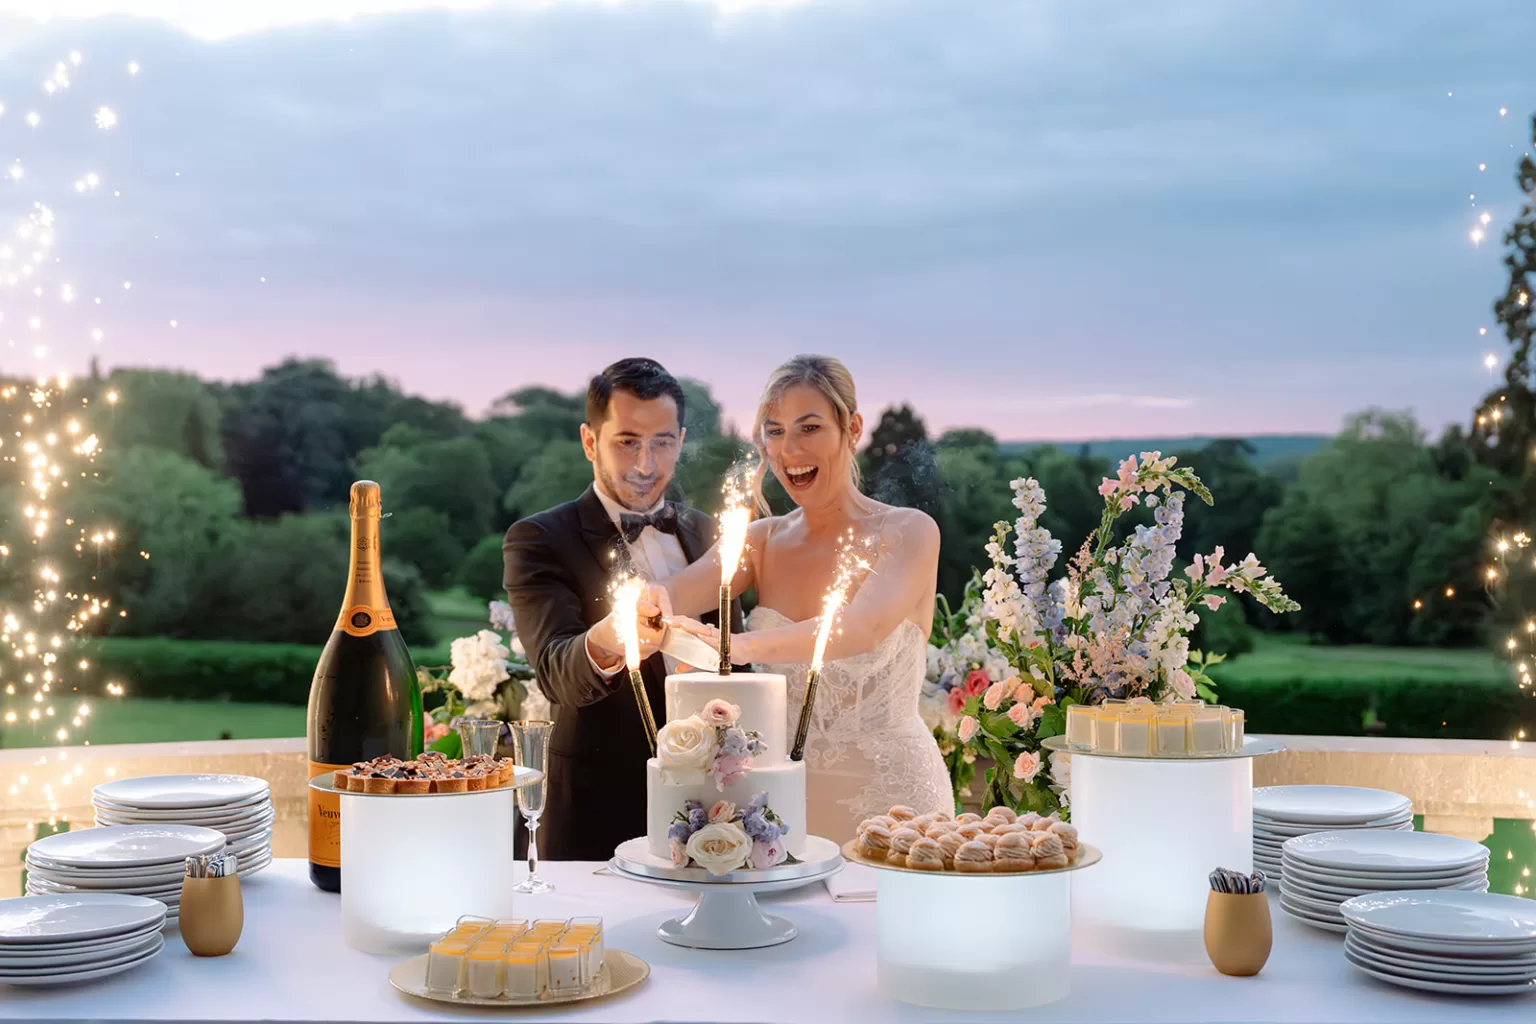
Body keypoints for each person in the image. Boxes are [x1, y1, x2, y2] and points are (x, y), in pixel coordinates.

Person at [657, 354, 952, 843]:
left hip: (899, 806)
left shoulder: (907, 532)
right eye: (774, 432)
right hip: (779, 810)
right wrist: (646, 605)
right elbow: (673, 593)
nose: (789, 449)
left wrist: (735, 647)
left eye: (809, 428)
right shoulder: (760, 541)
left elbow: (860, 630)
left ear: (852, 429)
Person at [502, 357, 741, 860]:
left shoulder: (712, 533)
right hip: (598, 812)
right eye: (627, 441)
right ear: (590, 441)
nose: (645, 465)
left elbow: (735, 660)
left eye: (661, 443)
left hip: (717, 813)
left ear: (679, 440)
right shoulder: (540, 539)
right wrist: (610, 637)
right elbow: (553, 672)